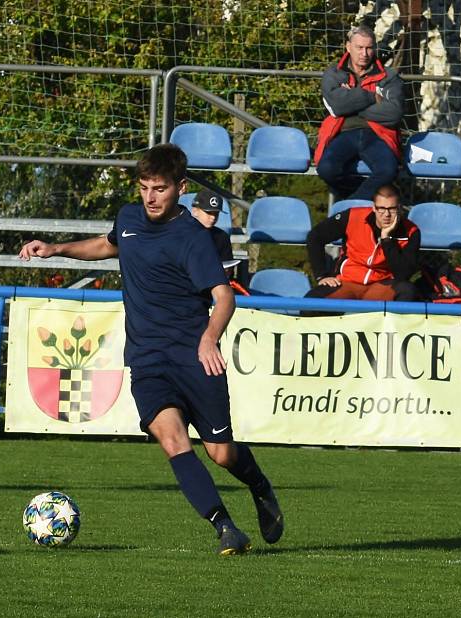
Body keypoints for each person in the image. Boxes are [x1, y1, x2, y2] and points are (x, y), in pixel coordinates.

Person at [19, 144, 283, 556]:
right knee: (172, 439)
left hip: (194, 359)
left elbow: (224, 296)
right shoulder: (128, 218)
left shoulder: (193, 239)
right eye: (143, 188)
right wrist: (56, 249)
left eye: (159, 188)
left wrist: (209, 337)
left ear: (180, 187)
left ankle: (259, 485)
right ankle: (225, 527)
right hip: (147, 360)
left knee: (221, 452)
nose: (150, 197)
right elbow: (108, 245)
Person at [314, 24, 404, 201]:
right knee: (326, 169)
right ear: (348, 47)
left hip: (377, 134)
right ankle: (358, 200)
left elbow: (394, 113)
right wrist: (372, 97)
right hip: (343, 133)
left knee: (388, 170)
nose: (364, 53)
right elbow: (338, 106)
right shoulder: (334, 73)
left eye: (369, 48)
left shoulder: (389, 77)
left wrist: (352, 104)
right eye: (359, 47)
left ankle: (350, 205)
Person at [305, 184, 420, 302]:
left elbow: (404, 274)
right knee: (311, 302)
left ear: (399, 208)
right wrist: (321, 276)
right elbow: (315, 237)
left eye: (392, 209)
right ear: (374, 208)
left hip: (382, 284)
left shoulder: (411, 231)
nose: (387, 214)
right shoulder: (353, 216)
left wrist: (386, 239)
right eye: (381, 208)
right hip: (347, 280)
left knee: (408, 291)